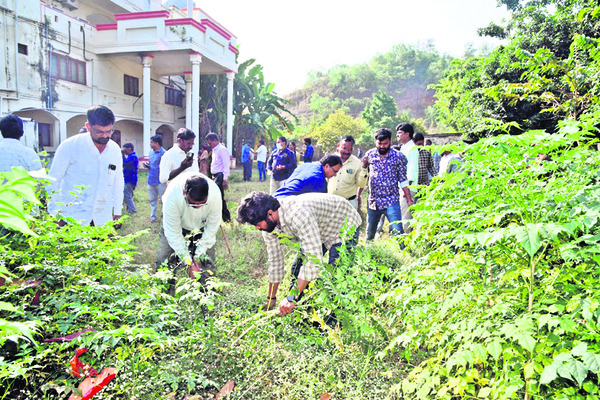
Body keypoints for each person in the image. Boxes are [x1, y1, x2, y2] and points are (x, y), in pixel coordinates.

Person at [236, 191, 361, 315]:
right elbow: (275, 261)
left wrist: (291, 297)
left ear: (270, 213)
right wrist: (271, 299)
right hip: (318, 226)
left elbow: (314, 261)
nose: (257, 228)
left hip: (343, 222)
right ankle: (298, 312)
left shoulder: (298, 214)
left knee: (338, 278)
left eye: (257, 224)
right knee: (297, 268)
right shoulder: (268, 225)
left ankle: (334, 324)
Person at [48, 105, 124, 226]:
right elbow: (52, 180)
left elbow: (118, 181)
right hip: (73, 218)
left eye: (109, 131)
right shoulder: (70, 146)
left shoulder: (114, 150)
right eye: (99, 132)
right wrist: (55, 213)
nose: (105, 136)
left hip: (102, 218)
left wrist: (118, 211)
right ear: (88, 127)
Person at [156, 171, 222, 284]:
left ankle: (207, 296)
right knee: (164, 263)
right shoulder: (172, 196)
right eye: (193, 204)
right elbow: (173, 234)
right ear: (184, 193)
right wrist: (188, 262)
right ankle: (165, 296)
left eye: (202, 204)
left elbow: (211, 229)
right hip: (177, 226)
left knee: (207, 265)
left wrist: (198, 255)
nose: (197, 207)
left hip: (202, 227)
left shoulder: (215, 195)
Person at [362, 128, 413, 241]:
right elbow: (363, 174)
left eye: (385, 143)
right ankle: (367, 254)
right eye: (380, 143)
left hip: (391, 200)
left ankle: (404, 253)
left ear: (390, 141)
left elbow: (403, 179)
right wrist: (359, 194)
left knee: (398, 232)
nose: (382, 146)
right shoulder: (369, 155)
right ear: (375, 141)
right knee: (370, 233)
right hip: (373, 201)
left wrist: (409, 199)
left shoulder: (398, 157)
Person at [327, 135, 368, 210]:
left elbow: (361, 184)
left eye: (350, 149)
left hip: (349, 204)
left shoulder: (357, 163)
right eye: (344, 148)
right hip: (330, 202)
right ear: (339, 146)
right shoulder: (330, 159)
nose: (347, 152)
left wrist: (364, 169)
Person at [273, 154, 342, 198]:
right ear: (327, 166)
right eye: (335, 171)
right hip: (285, 203)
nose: (335, 174)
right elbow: (321, 206)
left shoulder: (305, 165)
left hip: (276, 197)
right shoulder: (319, 180)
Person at [396, 122, 419, 234]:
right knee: (401, 214)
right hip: (401, 187)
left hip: (408, 188)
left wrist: (407, 190)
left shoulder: (412, 148)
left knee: (406, 217)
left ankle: (405, 243)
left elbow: (412, 169)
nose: (398, 135)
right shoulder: (403, 148)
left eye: (400, 133)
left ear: (407, 134)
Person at [205, 133, 231, 222]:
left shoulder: (222, 150)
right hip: (214, 176)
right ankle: (220, 216)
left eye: (210, 143)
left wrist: (225, 179)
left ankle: (226, 217)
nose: (209, 145)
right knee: (216, 196)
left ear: (215, 141)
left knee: (218, 196)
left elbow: (226, 165)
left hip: (220, 176)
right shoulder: (214, 150)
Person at [144, 135, 166, 222]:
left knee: (163, 200)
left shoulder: (164, 153)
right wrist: (148, 166)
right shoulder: (151, 153)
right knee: (152, 200)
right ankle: (153, 218)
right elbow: (153, 164)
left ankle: (165, 218)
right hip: (151, 179)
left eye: (152, 142)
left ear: (157, 143)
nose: (150, 144)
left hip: (160, 181)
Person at [121, 142, 138, 214]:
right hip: (128, 178)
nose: (124, 151)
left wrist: (122, 154)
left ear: (129, 149)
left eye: (125, 149)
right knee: (128, 194)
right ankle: (129, 209)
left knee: (127, 195)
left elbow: (123, 163)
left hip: (130, 179)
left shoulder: (133, 157)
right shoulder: (131, 156)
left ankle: (132, 210)